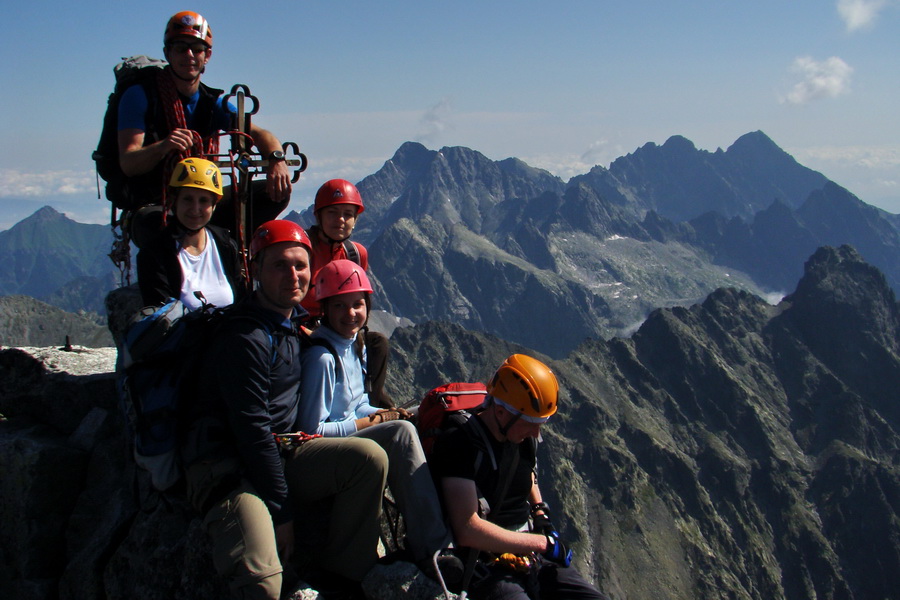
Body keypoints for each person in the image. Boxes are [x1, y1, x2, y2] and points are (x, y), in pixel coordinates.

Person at [181, 220, 387, 600]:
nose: (293, 275)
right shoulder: (245, 337)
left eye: (301, 265)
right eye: (279, 265)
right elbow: (252, 431)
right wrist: (283, 512)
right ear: (255, 269)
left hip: (278, 453)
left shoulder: (290, 326)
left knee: (368, 460)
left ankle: (342, 577)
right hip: (228, 468)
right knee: (262, 583)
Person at [297, 259, 457, 577]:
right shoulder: (322, 358)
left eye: (357, 304)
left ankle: (448, 522)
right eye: (340, 305)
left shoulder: (354, 344)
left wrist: (385, 414)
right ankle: (436, 547)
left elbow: (357, 405)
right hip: (324, 450)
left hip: (348, 438)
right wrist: (373, 423)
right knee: (400, 433)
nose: (350, 313)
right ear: (324, 308)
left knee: (419, 420)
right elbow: (310, 431)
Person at [430, 354, 610, 600]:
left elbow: (528, 473)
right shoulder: (459, 442)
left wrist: (539, 512)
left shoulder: (521, 435)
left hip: (530, 554)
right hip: (485, 564)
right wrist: (543, 544)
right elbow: (467, 528)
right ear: (502, 412)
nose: (536, 432)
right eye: (530, 423)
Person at [119, 11, 292, 246]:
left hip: (201, 197)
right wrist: (163, 147)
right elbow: (129, 162)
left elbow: (261, 135)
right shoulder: (141, 96)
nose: (189, 55)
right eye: (181, 48)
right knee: (159, 227)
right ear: (167, 53)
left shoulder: (212, 103)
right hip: (155, 202)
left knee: (276, 193)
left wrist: (276, 159)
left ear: (207, 55)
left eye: (197, 49)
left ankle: (230, 250)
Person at [302, 179, 393, 408]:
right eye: (332, 212)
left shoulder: (356, 254)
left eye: (347, 214)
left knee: (377, 343)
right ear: (319, 216)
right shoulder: (302, 249)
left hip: (339, 325)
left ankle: (369, 402)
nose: (340, 220)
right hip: (302, 330)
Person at [136, 157, 247, 308]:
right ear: (175, 201)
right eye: (188, 199)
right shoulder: (155, 254)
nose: (195, 209)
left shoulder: (225, 244)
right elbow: (160, 315)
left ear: (214, 205)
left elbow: (241, 299)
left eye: (203, 201)